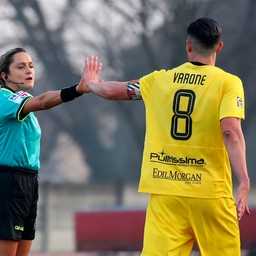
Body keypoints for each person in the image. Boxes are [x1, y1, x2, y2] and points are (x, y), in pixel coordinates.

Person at [83, 17, 250, 256]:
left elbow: (112, 90)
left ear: (188, 46)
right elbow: (230, 132)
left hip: (166, 192)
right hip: (210, 193)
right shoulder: (228, 83)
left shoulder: (159, 79)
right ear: (219, 47)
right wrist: (243, 180)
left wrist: (91, 83)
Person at [0, 47, 91, 256]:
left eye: (31, 66)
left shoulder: (22, 99)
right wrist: (76, 90)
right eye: (20, 66)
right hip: (9, 181)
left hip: (28, 183)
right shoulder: (4, 99)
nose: (28, 70)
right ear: (4, 76)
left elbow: (40, 100)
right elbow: (42, 101)